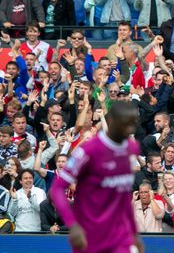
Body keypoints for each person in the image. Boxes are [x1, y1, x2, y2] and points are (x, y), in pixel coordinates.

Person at [50, 101, 144, 252]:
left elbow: (124, 197)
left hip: (120, 236)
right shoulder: (88, 151)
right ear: (111, 121)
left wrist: (134, 233)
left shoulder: (131, 148)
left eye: (132, 124)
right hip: (90, 235)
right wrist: (72, 225)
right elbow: (57, 189)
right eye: (125, 124)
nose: (129, 129)